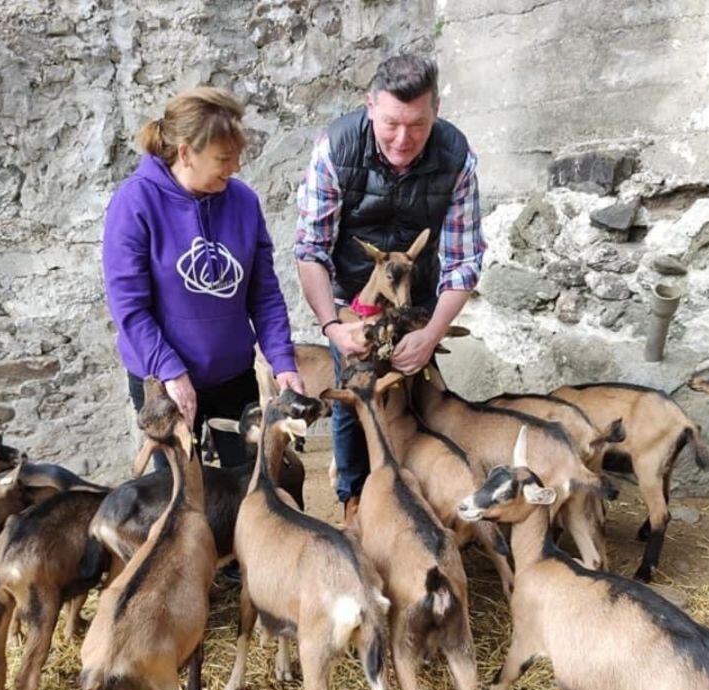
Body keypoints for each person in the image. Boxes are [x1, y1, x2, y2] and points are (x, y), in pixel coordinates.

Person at [294, 54, 486, 516]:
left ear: (436, 110)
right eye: (390, 124)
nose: (404, 139)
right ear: (370, 107)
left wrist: (431, 334)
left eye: (417, 124)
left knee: (422, 396)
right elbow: (311, 250)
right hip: (352, 304)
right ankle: (354, 506)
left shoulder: (457, 157)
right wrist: (331, 328)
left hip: (416, 303)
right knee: (352, 399)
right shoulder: (336, 149)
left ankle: (419, 504)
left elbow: (463, 262)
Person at [103, 87, 303, 470]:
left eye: (237, 156)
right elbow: (129, 307)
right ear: (185, 154)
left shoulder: (243, 202)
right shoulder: (134, 204)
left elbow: (264, 294)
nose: (235, 167)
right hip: (164, 379)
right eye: (223, 159)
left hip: (232, 374)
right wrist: (170, 371)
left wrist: (283, 362)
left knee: (251, 486)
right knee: (180, 498)